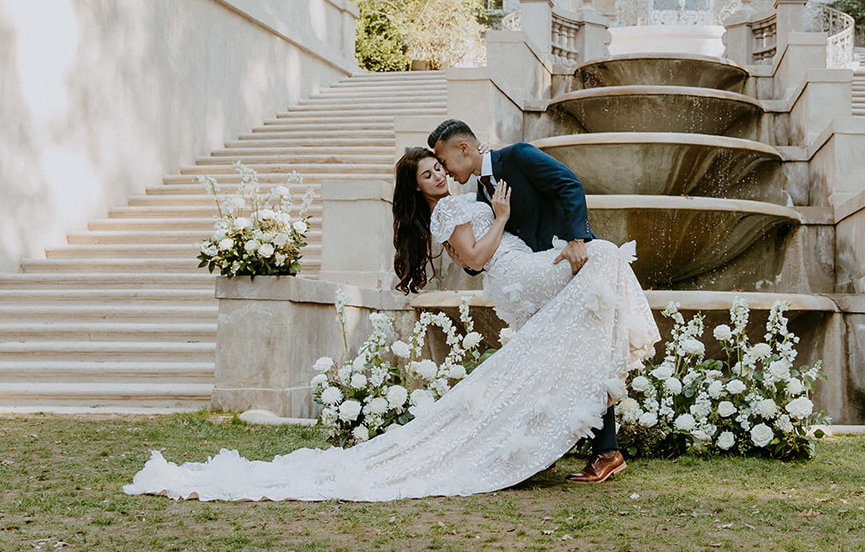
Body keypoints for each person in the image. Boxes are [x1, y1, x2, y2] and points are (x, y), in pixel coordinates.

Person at [124, 147, 658, 502]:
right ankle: (594, 436)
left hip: (521, 268)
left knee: (579, 328)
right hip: (513, 271)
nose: (439, 175)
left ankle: (586, 442)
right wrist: (498, 218)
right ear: (418, 187)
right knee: (606, 257)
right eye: (428, 173)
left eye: (439, 167)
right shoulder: (445, 214)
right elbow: (473, 261)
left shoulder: (463, 194)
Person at [429, 118, 626, 482]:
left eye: (443, 161)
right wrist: (466, 260)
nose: (444, 171)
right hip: (536, 277)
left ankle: (607, 451)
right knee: (559, 361)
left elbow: (569, 184)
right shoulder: (479, 194)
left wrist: (577, 239)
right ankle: (562, 449)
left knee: (584, 356)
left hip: (570, 264)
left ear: (463, 149)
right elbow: (492, 245)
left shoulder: (517, 157)